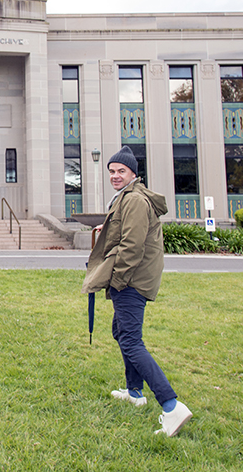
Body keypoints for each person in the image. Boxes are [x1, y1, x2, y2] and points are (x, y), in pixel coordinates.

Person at [82, 145, 192, 437]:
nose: (115, 176)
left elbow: (132, 246)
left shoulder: (134, 201)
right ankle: (134, 392)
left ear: (133, 173)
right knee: (122, 332)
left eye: (121, 171)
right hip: (131, 280)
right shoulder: (127, 198)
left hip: (131, 281)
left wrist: (117, 280)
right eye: (112, 171)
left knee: (131, 341)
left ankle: (171, 406)